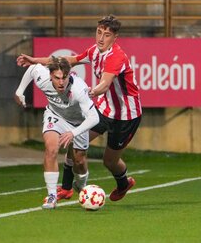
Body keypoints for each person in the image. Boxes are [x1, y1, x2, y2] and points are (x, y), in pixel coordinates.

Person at [17, 14, 142, 202]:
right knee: (74, 138)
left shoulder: (116, 57)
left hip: (126, 116)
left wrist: (90, 92)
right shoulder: (94, 50)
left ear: (115, 38)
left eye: (106, 35)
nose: (101, 38)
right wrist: (35, 60)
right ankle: (66, 188)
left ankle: (123, 183)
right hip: (104, 109)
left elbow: (105, 84)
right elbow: (69, 60)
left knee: (109, 161)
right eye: (99, 32)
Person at [14, 57, 99, 209]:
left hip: (79, 124)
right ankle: (52, 196)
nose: (61, 82)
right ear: (50, 75)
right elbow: (33, 69)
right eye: (57, 78)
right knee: (51, 148)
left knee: (79, 161)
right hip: (55, 116)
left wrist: (73, 133)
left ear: (69, 75)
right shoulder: (43, 77)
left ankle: (81, 185)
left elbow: (94, 118)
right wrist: (20, 91)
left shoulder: (79, 89)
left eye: (64, 78)